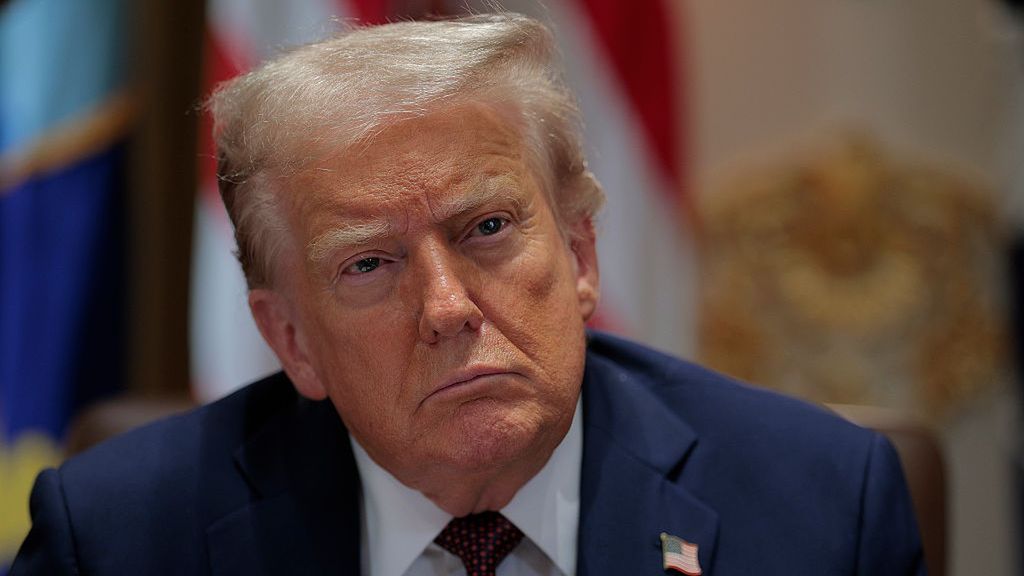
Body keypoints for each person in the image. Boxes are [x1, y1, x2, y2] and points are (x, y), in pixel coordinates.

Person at [12, 13, 925, 576]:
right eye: (368, 265)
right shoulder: (120, 538)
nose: (447, 307)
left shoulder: (817, 507)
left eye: (486, 230)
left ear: (579, 257)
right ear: (291, 339)